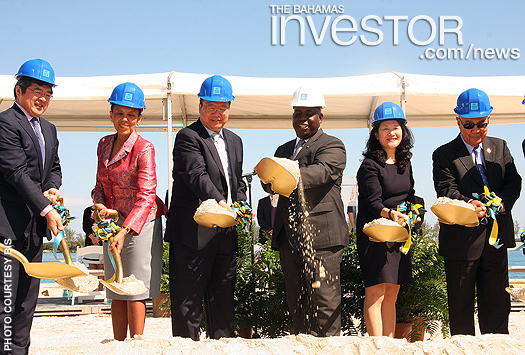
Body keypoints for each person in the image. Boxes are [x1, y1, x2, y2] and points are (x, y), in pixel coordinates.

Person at [165, 75, 248, 340]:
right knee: (187, 301)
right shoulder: (188, 137)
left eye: (222, 107)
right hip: (193, 232)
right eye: (211, 107)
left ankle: (222, 345)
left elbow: (235, 180)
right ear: (200, 106)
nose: (217, 113)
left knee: (222, 298)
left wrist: (241, 203)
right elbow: (196, 176)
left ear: (229, 109)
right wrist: (223, 204)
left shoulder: (235, 140)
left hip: (225, 232)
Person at [432, 88, 521, 336]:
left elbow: (513, 182)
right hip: (461, 242)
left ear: (489, 120)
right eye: (469, 125)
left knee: (497, 306)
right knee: (460, 309)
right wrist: (469, 206)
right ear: (458, 121)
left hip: (496, 239)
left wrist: (500, 203)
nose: (475, 130)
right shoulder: (443, 155)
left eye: (481, 124)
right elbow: (446, 190)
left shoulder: (501, 147)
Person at [265, 87, 348, 336]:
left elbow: (321, 172)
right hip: (290, 237)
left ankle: (330, 351)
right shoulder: (283, 149)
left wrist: (282, 173)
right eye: (297, 113)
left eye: (309, 113)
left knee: (324, 304)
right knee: (298, 305)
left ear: (320, 117)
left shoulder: (333, 145)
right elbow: (270, 179)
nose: (303, 118)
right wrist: (267, 175)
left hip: (322, 239)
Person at [93, 82, 166, 341]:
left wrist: (125, 230)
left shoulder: (144, 148)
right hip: (112, 224)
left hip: (141, 223)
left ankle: (137, 343)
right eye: (119, 113)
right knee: (115, 286)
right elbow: (99, 185)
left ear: (139, 118)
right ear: (111, 113)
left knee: (133, 286)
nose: (125, 119)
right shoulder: (103, 144)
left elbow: (146, 196)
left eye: (131, 114)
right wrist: (98, 206)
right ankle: (117, 344)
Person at [0, 59, 64, 355]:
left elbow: (54, 168)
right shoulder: (5, 123)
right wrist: (46, 208)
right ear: (19, 90)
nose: (43, 98)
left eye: (48, 93)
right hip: (8, 229)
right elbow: (16, 173)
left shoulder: (49, 130)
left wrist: (52, 188)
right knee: (6, 301)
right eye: (37, 90)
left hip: (34, 231)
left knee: (27, 303)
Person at [356, 102, 416, 337]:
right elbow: (373, 203)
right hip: (375, 234)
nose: (392, 132)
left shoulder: (405, 163)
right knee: (376, 293)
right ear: (375, 133)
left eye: (396, 127)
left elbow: (410, 196)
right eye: (385, 128)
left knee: (392, 292)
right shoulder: (370, 165)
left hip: (399, 234)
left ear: (403, 131)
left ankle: (390, 345)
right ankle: (376, 346)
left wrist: (415, 213)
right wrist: (391, 214)